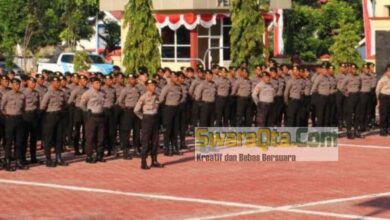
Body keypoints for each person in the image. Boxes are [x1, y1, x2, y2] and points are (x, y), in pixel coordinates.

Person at [134, 79, 164, 170]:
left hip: (155, 119)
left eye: (154, 86)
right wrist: (143, 118)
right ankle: (143, 162)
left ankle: (154, 160)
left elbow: (158, 107)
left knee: (155, 141)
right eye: (151, 85)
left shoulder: (156, 96)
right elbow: (136, 110)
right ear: (147, 87)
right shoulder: (143, 97)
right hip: (147, 119)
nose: (153, 87)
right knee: (145, 141)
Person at [40, 76, 68, 167]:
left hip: (59, 116)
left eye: (59, 82)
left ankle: (58, 157)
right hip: (50, 116)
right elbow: (43, 106)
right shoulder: (48, 93)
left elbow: (64, 104)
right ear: (52, 82)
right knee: (48, 138)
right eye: (56, 82)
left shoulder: (61, 93)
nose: (58, 83)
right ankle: (48, 158)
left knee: (59, 138)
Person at [1, 78, 27, 171]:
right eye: (15, 84)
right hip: (10, 119)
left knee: (19, 141)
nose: (17, 86)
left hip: (19, 119)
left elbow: (24, 107)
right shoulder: (7, 95)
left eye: (18, 84)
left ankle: (18, 161)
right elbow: (2, 107)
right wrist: (8, 114)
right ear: (12, 85)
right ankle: (7, 162)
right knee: (9, 142)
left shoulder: (22, 95)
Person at [80, 77, 106, 163]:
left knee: (101, 137)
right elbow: (82, 104)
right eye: (97, 83)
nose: (99, 84)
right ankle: (89, 156)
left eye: (99, 83)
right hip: (92, 117)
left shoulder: (102, 93)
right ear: (92, 84)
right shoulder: (87, 93)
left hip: (101, 117)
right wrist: (87, 111)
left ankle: (99, 155)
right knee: (90, 137)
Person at [117, 74, 142, 159]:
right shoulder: (125, 89)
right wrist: (125, 107)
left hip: (136, 111)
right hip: (128, 111)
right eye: (131, 79)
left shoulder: (137, 89)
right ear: (128, 80)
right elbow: (120, 101)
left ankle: (136, 148)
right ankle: (125, 150)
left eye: (134, 79)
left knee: (137, 130)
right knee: (126, 131)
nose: (133, 80)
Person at [160, 71, 183, 156]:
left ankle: (175, 148)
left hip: (176, 109)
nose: (176, 78)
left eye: (177, 77)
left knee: (175, 130)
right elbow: (161, 98)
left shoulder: (178, 87)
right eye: (174, 77)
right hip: (168, 109)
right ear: (171, 78)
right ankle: (167, 149)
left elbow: (180, 96)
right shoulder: (166, 87)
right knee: (168, 130)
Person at [68, 75, 88, 155]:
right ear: (79, 81)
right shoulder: (76, 90)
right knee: (77, 130)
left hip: (85, 111)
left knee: (85, 131)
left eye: (86, 80)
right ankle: (76, 149)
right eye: (83, 80)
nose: (85, 82)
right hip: (78, 111)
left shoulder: (88, 90)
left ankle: (84, 148)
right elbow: (70, 100)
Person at [339, 64, 362, 139]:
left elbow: (360, 86)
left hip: (357, 96)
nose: (354, 70)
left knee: (357, 114)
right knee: (349, 115)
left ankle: (356, 130)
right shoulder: (347, 77)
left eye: (355, 69)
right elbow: (340, 87)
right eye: (352, 69)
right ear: (350, 70)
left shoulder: (358, 77)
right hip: (350, 97)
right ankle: (348, 131)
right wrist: (346, 93)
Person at [22, 77, 40, 164]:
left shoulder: (36, 93)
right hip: (26, 116)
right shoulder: (23, 93)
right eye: (31, 82)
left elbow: (38, 104)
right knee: (24, 138)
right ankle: (23, 157)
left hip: (34, 116)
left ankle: (33, 157)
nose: (33, 84)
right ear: (28, 83)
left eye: (34, 82)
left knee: (34, 138)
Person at [101, 75, 117, 156]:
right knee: (104, 131)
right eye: (109, 80)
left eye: (111, 80)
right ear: (105, 81)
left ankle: (111, 149)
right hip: (104, 111)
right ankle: (103, 148)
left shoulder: (113, 89)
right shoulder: (102, 89)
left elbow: (115, 100)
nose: (110, 81)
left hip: (111, 111)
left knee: (112, 131)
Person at [375, 64, 390, 136]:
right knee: (384, 114)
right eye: (389, 71)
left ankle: (388, 129)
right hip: (384, 97)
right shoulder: (383, 79)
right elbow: (378, 89)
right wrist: (378, 99)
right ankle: (382, 130)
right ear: (387, 72)